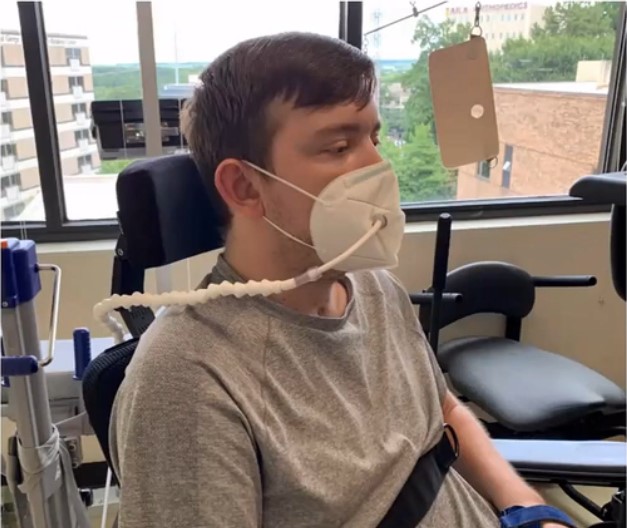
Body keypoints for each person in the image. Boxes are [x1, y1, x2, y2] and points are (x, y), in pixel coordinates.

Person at [109, 32, 572, 528]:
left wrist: (529, 508)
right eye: (338, 146)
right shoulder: (190, 377)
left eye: (373, 137)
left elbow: (440, 410)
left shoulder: (375, 287)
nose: (377, 166)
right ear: (244, 187)